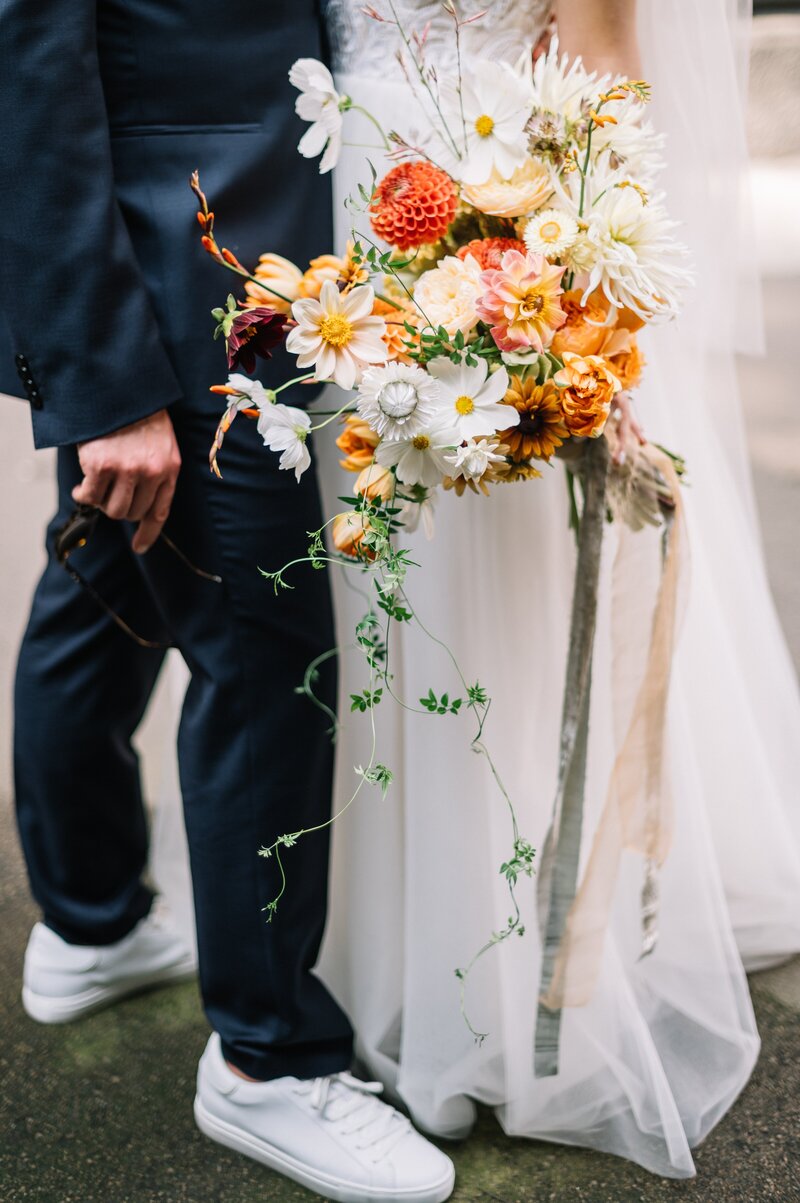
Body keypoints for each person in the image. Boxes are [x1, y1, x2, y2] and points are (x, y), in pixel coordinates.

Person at [309, 0, 800, 1180]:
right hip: (346, 215)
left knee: (498, 597)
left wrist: (591, 316)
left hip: (502, 225)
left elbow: (605, 56)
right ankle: (383, 945)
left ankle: (507, 997)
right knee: (378, 575)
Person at [0, 2, 456, 1200]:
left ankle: (91, 926)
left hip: (247, 240)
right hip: (181, 269)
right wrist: (105, 384)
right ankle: (267, 1062)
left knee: (102, 590)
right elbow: (26, 64)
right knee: (264, 660)